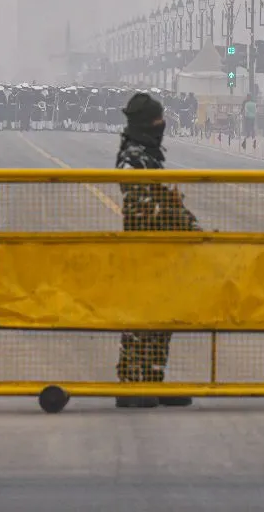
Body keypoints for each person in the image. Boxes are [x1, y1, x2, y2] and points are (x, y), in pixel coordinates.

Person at [114, 92, 199, 409]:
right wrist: (180, 223)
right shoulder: (133, 158)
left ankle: (151, 379)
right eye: (157, 118)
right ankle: (130, 385)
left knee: (161, 320)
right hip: (144, 252)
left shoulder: (147, 152)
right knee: (141, 322)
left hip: (161, 252)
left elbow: (163, 200)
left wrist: (187, 225)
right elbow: (144, 207)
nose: (162, 123)